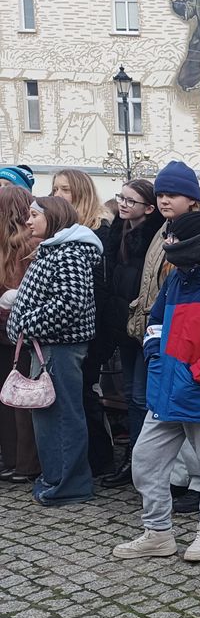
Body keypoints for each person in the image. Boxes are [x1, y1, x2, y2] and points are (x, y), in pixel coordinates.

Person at [112, 211, 200, 562]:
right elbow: (155, 322)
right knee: (144, 462)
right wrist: (155, 356)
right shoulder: (176, 282)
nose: (168, 245)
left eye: (175, 240)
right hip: (165, 395)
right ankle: (158, 532)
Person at [128, 161, 200, 511]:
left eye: (171, 194)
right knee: (162, 411)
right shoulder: (164, 228)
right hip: (164, 333)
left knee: (196, 424)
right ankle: (174, 483)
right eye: (159, 194)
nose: (163, 200)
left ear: (193, 198)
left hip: (195, 343)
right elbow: (155, 280)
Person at [6, 196, 103, 506]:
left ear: (54, 217)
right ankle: (55, 478)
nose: (28, 221)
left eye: (34, 215)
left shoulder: (69, 253)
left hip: (60, 347)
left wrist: (25, 324)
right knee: (48, 414)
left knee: (62, 416)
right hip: (47, 345)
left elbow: (69, 304)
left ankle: (70, 484)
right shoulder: (54, 250)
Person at [51, 168, 116, 475]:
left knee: (82, 393)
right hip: (70, 329)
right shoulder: (62, 229)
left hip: (92, 327)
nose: (57, 196)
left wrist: (94, 333)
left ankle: (100, 459)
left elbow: (100, 289)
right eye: (54, 190)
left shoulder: (100, 230)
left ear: (80, 193)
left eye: (64, 190)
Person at [101, 179, 165, 487]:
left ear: (149, 209)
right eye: (121, 198)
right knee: (130, 394)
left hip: (144, 327)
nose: (124, 204)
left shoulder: (154, 236)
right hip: (122, 326)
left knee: (141, 396)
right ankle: (133, 461)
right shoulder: (119, 231)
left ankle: (142, 462)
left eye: (131, 201)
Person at [0, 186, 41, 482]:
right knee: (24, 398)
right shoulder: (33, 242)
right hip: (23, 330)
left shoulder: (11, 244)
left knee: (9, 396)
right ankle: (25, 464)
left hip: (11, 328)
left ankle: (14, 459)